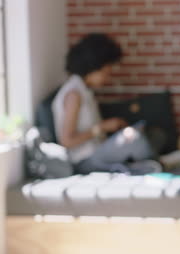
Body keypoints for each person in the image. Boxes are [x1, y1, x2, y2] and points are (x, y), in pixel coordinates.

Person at [52, 33, 156, 175]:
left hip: (98, 150)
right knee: (133, 137)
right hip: (84, 161)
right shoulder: (73, 94)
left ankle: (149, 163)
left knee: (152, 134)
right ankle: (155, 164)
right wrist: (101, 128)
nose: (108, 77)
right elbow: (67, 141)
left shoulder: (84, 91)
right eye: (106, 72)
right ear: (93, 66)